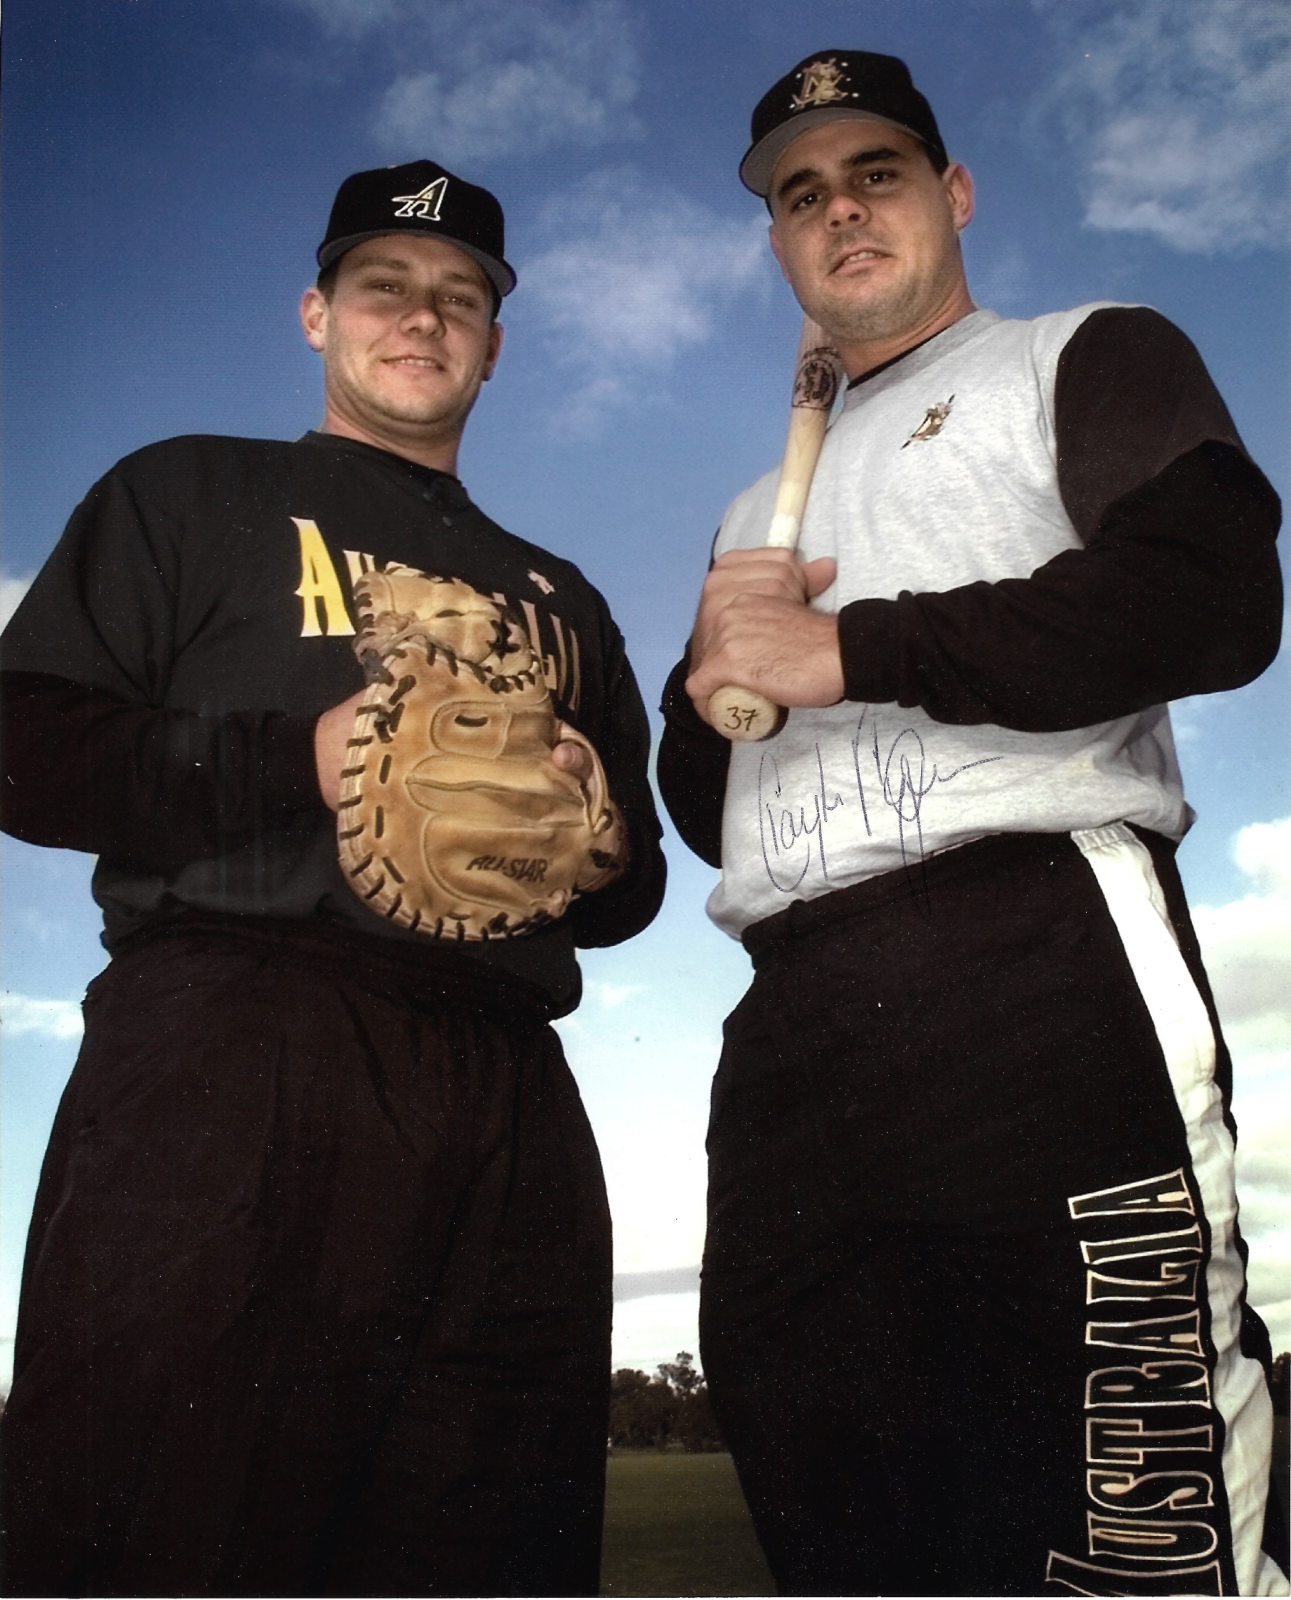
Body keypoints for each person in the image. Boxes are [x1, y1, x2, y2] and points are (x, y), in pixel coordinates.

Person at [659, 51, 1287, 1598]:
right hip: (794, 1020)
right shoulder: (756, 513)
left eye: (874, 173)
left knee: (1128, 1525)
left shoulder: (1082, 354)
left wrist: (850, 648)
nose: (839, 211)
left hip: (1030, 959)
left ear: (949, 195)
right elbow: (714, 809)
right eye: (801, 195)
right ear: (777, 246)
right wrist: (702, 684)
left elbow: (1215, 596)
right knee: (845, 1514)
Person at [0, 158, 665, 1597]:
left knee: (489, 1531)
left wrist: (586, 831)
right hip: (236, 1041)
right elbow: (23, 746)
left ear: (494, 339)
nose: (421, 316)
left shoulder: (561, 595)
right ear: (317, 313)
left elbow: (630, 894)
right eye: (384, 286)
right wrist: (296, 759)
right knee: (159, 1521)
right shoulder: (188, 488)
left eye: (459, 296)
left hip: (505, 1083)